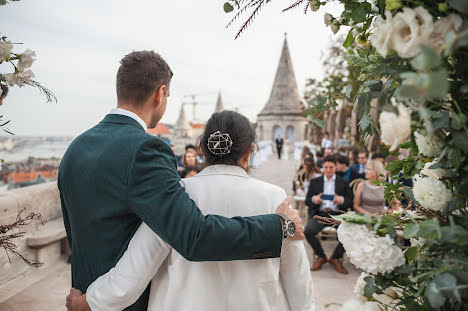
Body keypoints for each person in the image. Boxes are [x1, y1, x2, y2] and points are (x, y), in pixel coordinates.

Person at [60, 51, 303, 310]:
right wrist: (280, 227)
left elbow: (74, 230)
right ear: (160, 93)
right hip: (120, 303)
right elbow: (193, 236)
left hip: (83, 292)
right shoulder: (146, 150)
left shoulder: (76, 148)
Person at [304, 155, 352, 274]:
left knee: (350, 233)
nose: (328, 170)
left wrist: (341, 200)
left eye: (331, 167)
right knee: (308, 231)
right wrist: (315, 199)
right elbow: (307, 200)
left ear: (335, 167)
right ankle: (321, 256)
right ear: (322, 168)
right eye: (326, 167)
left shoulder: (344, 182)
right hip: (321, 213)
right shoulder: (316, 182)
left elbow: (351, 201)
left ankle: (335, 258)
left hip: (338, 214)